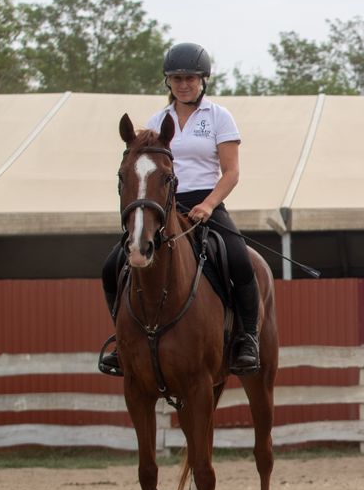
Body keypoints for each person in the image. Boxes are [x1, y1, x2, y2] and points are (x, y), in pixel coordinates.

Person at [98, 42, 260, 376]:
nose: (183, 84)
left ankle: (248, 338)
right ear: (167, 82)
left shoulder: (219, 117)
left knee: (239, 259)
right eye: (176, 78)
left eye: (190, 78)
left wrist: (209, 204)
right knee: (112, 264)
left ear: (203, 80)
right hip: (163, 205)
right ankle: (123, 339)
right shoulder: (157, 121)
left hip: (206, 202)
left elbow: (231, 172)